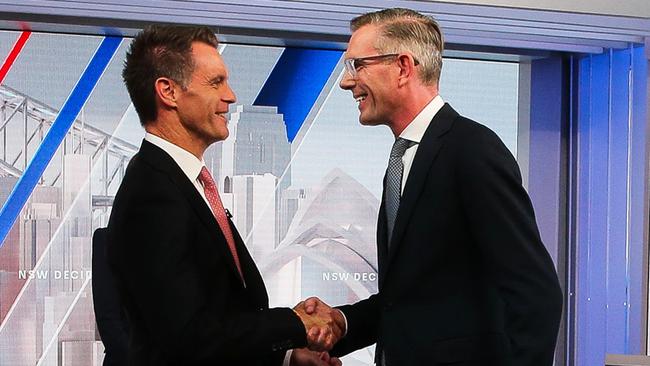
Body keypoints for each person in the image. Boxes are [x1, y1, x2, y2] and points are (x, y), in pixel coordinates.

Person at [301, 8, 563, 366]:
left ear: (403, 68)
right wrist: (342, 322)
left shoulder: (472, 150)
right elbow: (409, 302)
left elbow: (536, 293)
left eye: (357, 66)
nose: (347, 82)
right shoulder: (404, 159)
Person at [106, 25, 342, 366]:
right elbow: (189, 338)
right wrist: (295, 323)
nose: (230, 95)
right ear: (168, 91)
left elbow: (222, 318)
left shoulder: (185, 183)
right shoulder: (153, 195)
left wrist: (289, 358)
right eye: (216, 82)